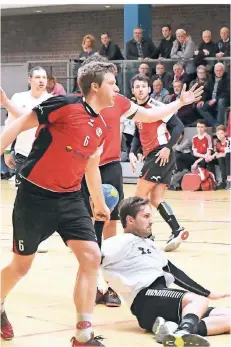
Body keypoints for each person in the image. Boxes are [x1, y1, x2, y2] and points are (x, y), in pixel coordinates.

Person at [0, 59, 204, 346]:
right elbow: (22, 122)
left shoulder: (101, 122)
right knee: (21, 267)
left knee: (91, 257)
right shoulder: (63, 105)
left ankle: (83, 336)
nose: (117, 88)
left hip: (70, 197)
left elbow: (91, 164)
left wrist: (98, 201)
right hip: (35, 196)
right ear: (95, 86)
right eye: (112, 82)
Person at [101, 197, 231, 347]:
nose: (151, 221)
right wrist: (98, 222)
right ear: (130, 220)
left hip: (164, 299)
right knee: (198, 301)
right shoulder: (119, 242)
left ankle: (172, 330)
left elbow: (173, 272)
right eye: (146, 216)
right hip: (144, 298)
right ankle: (183, 333)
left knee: (228, 317)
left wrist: (207, 292)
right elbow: (94, 256)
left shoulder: (150, 245)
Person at [129, 74, 189, 252]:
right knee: (155, 198)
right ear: (133, 91)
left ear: (149, 89)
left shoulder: (157, 107)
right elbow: (137, 135)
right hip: (155, 155)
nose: (140, 89)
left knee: (139, 197)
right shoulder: (136, 111)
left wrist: (168, 148)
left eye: (143, 86)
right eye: (137, 87)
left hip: (160, 153)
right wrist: (133, 151)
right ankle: (177, 229)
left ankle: (144, 236)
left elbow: (178, 127)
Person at [3, 66, 52, 253]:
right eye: (37, 77)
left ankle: (41, 238)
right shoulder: (18, 98)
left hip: (47, 157)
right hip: (23, 156)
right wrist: (8, 150)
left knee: (44, 198)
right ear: (29, 79)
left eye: (44, 77)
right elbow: (10, 125)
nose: (41, 80)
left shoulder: (52, 100)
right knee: (23, 199)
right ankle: (20, 236)